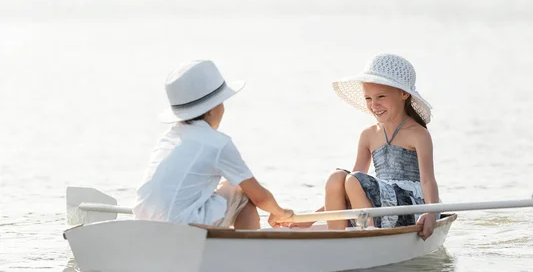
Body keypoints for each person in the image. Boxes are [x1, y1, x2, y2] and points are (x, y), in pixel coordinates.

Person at [292, 53, 439, 239]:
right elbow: (350, 186)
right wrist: (312, 218)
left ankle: (366, 235)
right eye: (368, 98)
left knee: (354, 180)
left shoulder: (418, 134)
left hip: (410, 206)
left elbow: (427, 180)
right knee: (337, 178)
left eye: (381, 96)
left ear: (404, 94)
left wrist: (431, 213)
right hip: (378, 205)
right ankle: (337, 237)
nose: (374, 105)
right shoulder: (369, 134)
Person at [133, 59, 293, 229]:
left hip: (143, 223)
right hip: (179, 227)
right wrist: (281, 213)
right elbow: (260, 197)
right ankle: (248, 251)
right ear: (212, 108)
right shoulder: (218, 143)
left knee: (227, 187)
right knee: (243, 193)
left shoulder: (169, 136)